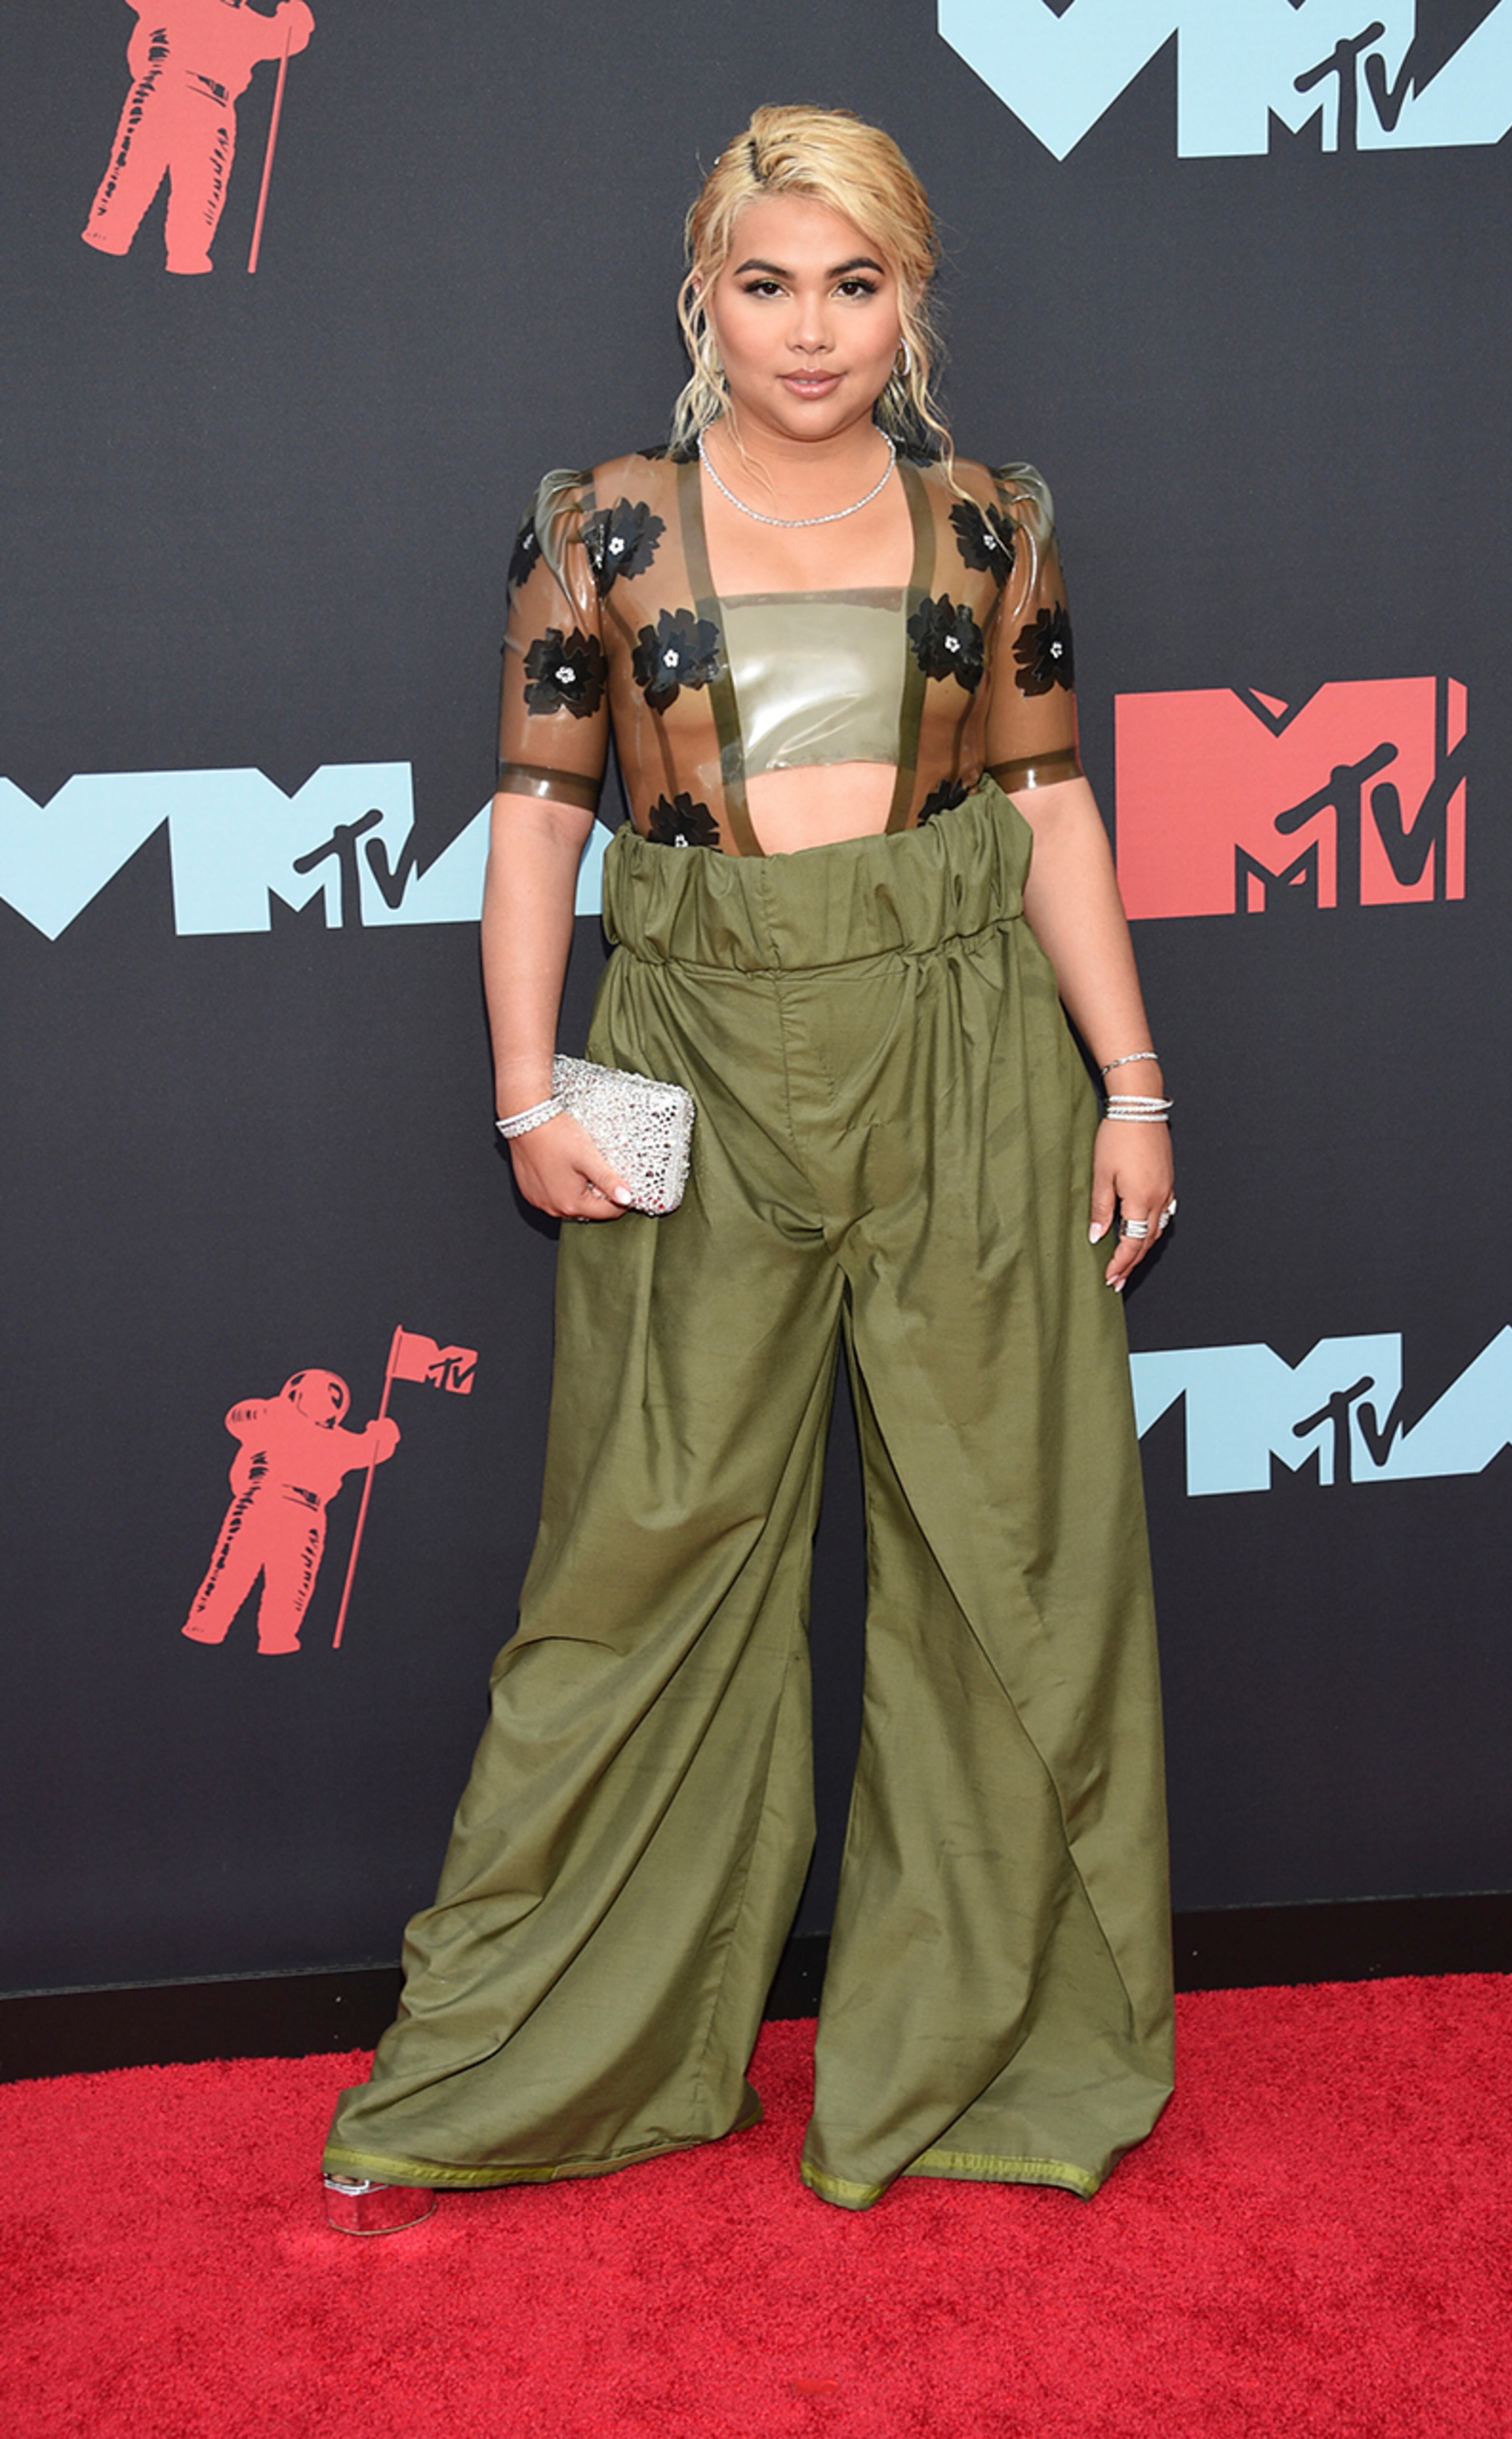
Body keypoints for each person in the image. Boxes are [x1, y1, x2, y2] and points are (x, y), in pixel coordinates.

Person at [322, 105, 1176, 2233]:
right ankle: (544, 2060)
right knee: (644, 1557)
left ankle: (989, 2053)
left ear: (912, 302)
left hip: (975, 1046)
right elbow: (537, 823)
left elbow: (1057, 808)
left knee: (1014, 1551)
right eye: (770, 283)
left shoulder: (995, 525)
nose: (814, 331)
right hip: (690, 1040)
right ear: (702, 297)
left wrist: (1135, 1081)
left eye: (857, 284)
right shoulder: (600, 530)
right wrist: (529, 1088)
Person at [81, 0, 314, 276]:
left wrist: (296, 18)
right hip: (165, 85)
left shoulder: (250, 24)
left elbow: (287, 38)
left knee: (203, 184)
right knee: (137, 165)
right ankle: (108, 235)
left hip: (216, 103)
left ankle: (187, 256)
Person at [182, 1370, 398, 1655]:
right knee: (235, 1567)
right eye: (319, 1393)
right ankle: (206, 1626)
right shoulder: (272, 1418)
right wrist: (275, 1409)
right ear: (296, 1394)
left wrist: (384, 1436)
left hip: (306, 1512)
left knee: (292, 1581)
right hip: (262, 1499)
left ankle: (277, 1638)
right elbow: (236, 1417)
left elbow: (370, 1450)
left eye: (333, 1398)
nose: (326, 1402)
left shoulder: (338, 1441)